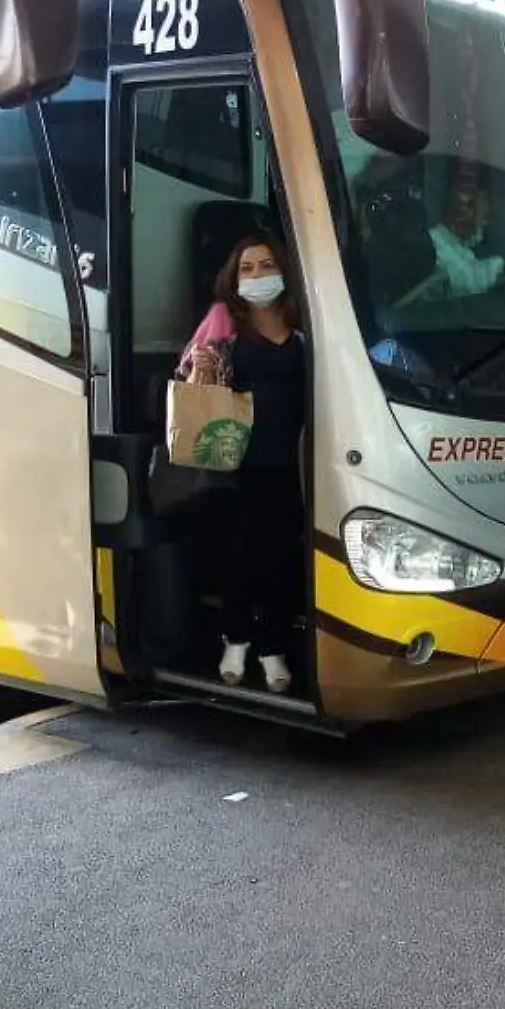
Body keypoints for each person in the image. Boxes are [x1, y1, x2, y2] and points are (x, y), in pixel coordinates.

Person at [183, 235, 308, 691]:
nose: (257, 276)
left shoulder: (304, 320)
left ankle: (273, 648)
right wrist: (202, 363)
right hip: (239, 461)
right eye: (247, 269)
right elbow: (190, 380)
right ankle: (235, 640)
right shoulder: (224, 319)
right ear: (234, 279)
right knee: (244, 552)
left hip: (294, 463)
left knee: (283, 557)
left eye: (266, 265)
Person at [428, 185, 505, 297]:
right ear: (462, 216)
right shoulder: (435, 241)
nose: (481, 229)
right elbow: (464, 281)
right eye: (480, 222)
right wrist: (503, 266)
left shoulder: (461, 249)